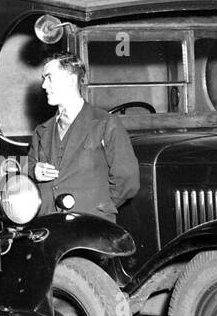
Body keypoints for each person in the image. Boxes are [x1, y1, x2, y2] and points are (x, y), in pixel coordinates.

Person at [28, 53, 139, 222]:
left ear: (71, 79)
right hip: (49, 226)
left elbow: (127, 181)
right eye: (44, 79)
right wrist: (33, 171)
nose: (44, 85)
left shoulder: (106, 123)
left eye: (49, 78)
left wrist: (100, 207)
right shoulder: (41, 131)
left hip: (92, 226)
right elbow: (27, 168)